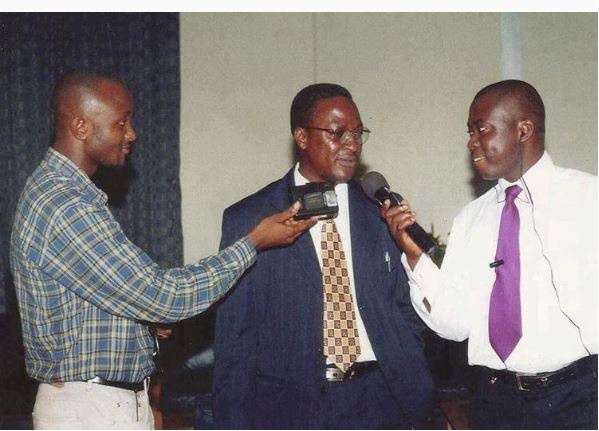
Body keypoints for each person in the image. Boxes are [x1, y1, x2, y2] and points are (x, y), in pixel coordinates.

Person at [9, 69, 315, 430]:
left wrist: (141, 326)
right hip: (91, 409)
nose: (131, 134)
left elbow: (102, 301)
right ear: (80, 127)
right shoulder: (65, 205)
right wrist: (252, 243)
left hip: (100, 402)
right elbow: (162, 295)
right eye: (121, 123)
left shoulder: (68, 196)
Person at [213, 83, 434, 429]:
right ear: (301, 137)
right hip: (294, 409)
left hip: (383, 400)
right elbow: (236, 341)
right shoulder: (250, 218)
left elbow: (405, 308)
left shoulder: (380, 207)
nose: (352, 144)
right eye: (338, 133)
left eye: (358, 133)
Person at [381, 79, 597, 429]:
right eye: (469, 131)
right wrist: (416, 257)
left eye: (481, 129)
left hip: (580, 399)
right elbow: (453, 325)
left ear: (523, 129)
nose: (471, 143)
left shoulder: (589, 198)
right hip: (496, 402)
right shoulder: (472, 218)